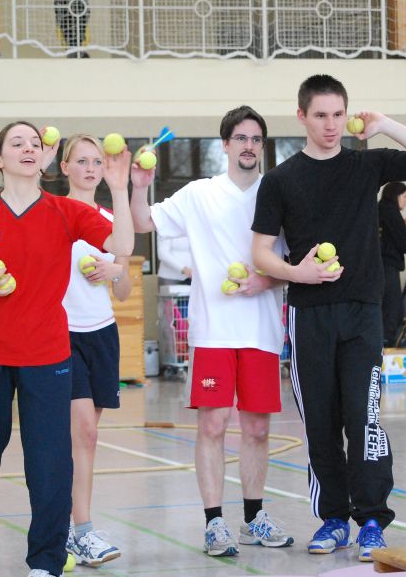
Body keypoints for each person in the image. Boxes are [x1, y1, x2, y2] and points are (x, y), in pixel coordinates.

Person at [251, 74, 406, 561]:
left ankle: (372, 520)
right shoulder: (280, 180)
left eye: (338, 114)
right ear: (302, 116)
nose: (331, 125)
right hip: (308, 315)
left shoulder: (367, 165)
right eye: (320, 115)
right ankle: (334, 519)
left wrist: (385, 125)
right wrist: (296, 272)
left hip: (362, 312)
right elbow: (260, 253)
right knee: (320, 424)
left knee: (365, 418)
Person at [0, 121, 133, 577]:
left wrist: (119, 188)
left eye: (34, 142)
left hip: (47, 357)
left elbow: (122, 244)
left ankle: (46, 564)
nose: (28, 147)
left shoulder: (66, 211)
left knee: (49, 466)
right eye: (17, 143)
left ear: (42, 159)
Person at [130, 106, 294, 557]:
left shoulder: (278, 193)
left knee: (257, 428)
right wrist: (139, 187)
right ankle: (214, 523)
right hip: (214, 332)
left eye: (256, 139)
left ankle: (254, 518)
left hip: (261, 331)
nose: (248, 146)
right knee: (214, 423)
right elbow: (143, 223)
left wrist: (266, 281)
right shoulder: (199, 193)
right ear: (225, 145)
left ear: (263, 146)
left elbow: (293, 263)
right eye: (240, 138)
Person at [58, 134, 131, 566]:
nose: (89, 168)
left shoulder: (109, 219)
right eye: (81, 161)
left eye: (96, 162)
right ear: (64, 167)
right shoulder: (53, 213)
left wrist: (113, 270)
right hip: (61, 335)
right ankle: (81, 529)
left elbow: (123, 291)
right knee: (82, 431)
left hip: (101, 334)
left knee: (86, 437)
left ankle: (72, 528)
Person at [378, 182, 406, 348]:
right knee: (392, 309)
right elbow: (405, 245)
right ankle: (388, 346)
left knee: (381, 306)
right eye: (404, 196)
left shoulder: (378, 209)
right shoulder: (392, 212)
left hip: (376, 265)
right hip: (388, 265)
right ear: (395, 196)